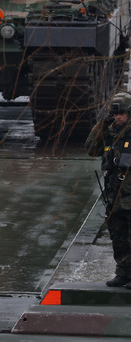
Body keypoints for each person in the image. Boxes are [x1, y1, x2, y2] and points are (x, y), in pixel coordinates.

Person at [86, 91, 131, 287]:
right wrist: (103, 124)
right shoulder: (110, 133)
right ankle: (124, 273)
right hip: (114, 198)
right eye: (115, 114)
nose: (118, 117)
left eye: (121, 113)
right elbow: (91, 148)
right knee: (119, 238)